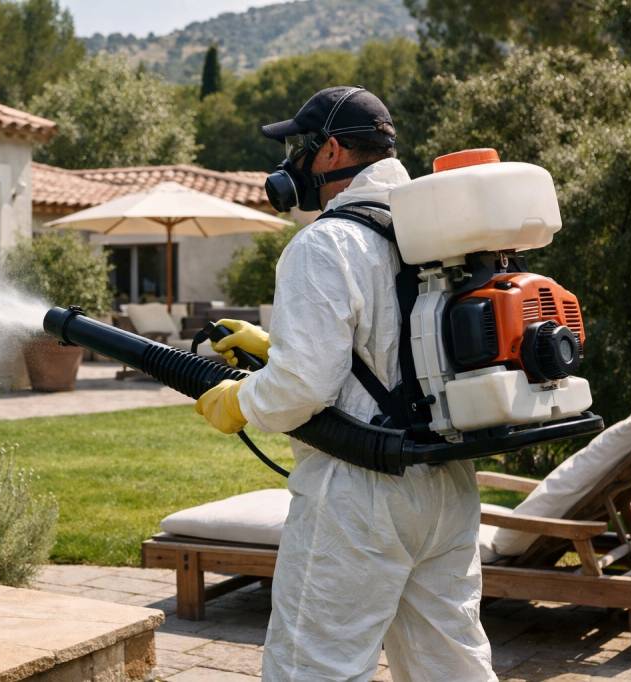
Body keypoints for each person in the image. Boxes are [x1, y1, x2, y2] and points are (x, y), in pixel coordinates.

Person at [194, 86, 497, 681]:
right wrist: (275, 348)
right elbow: (397, 351)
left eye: (299, 149)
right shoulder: (432, 234)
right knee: (451, 664)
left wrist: (242, 400)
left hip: (357, 495)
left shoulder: (326, 243)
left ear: (331, 151)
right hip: (446, 484)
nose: (292, 164)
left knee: (315, 668)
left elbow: (301, 390)